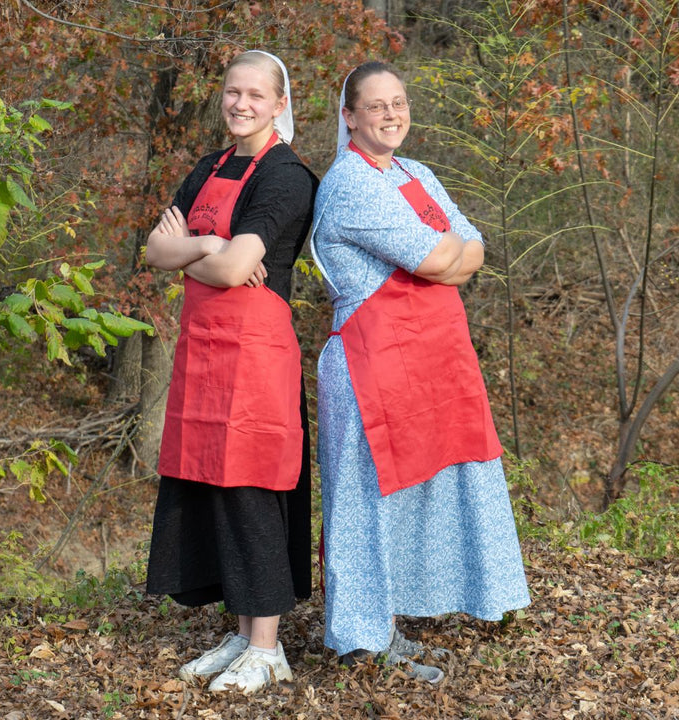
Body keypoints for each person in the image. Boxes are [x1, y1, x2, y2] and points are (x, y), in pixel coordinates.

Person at [311, 61, 530, 681]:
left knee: (417, 493)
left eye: (398, 102)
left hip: (431, 361)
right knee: (365, 496)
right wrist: (445, 258)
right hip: (369, 361)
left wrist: (447, 258)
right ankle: (361, 639)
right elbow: (441, 253)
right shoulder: (349, 184)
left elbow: (473, 249)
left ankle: (388, 626)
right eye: (375, 106)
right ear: (349, 117)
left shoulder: (417, 173)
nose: (390, 114)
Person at [144, 50, 317, 694]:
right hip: (205, 353)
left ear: (280, 104)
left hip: (256, 357)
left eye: (254, 95)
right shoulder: (208, 167)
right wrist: (210, 247)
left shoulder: (287, 177)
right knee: (213, 484)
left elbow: (209, 262)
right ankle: (242, 633)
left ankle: (269, 648)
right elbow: (155, 247)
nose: (240, 104)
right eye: (231, 92)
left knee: (250, 487)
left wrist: (197, 253)